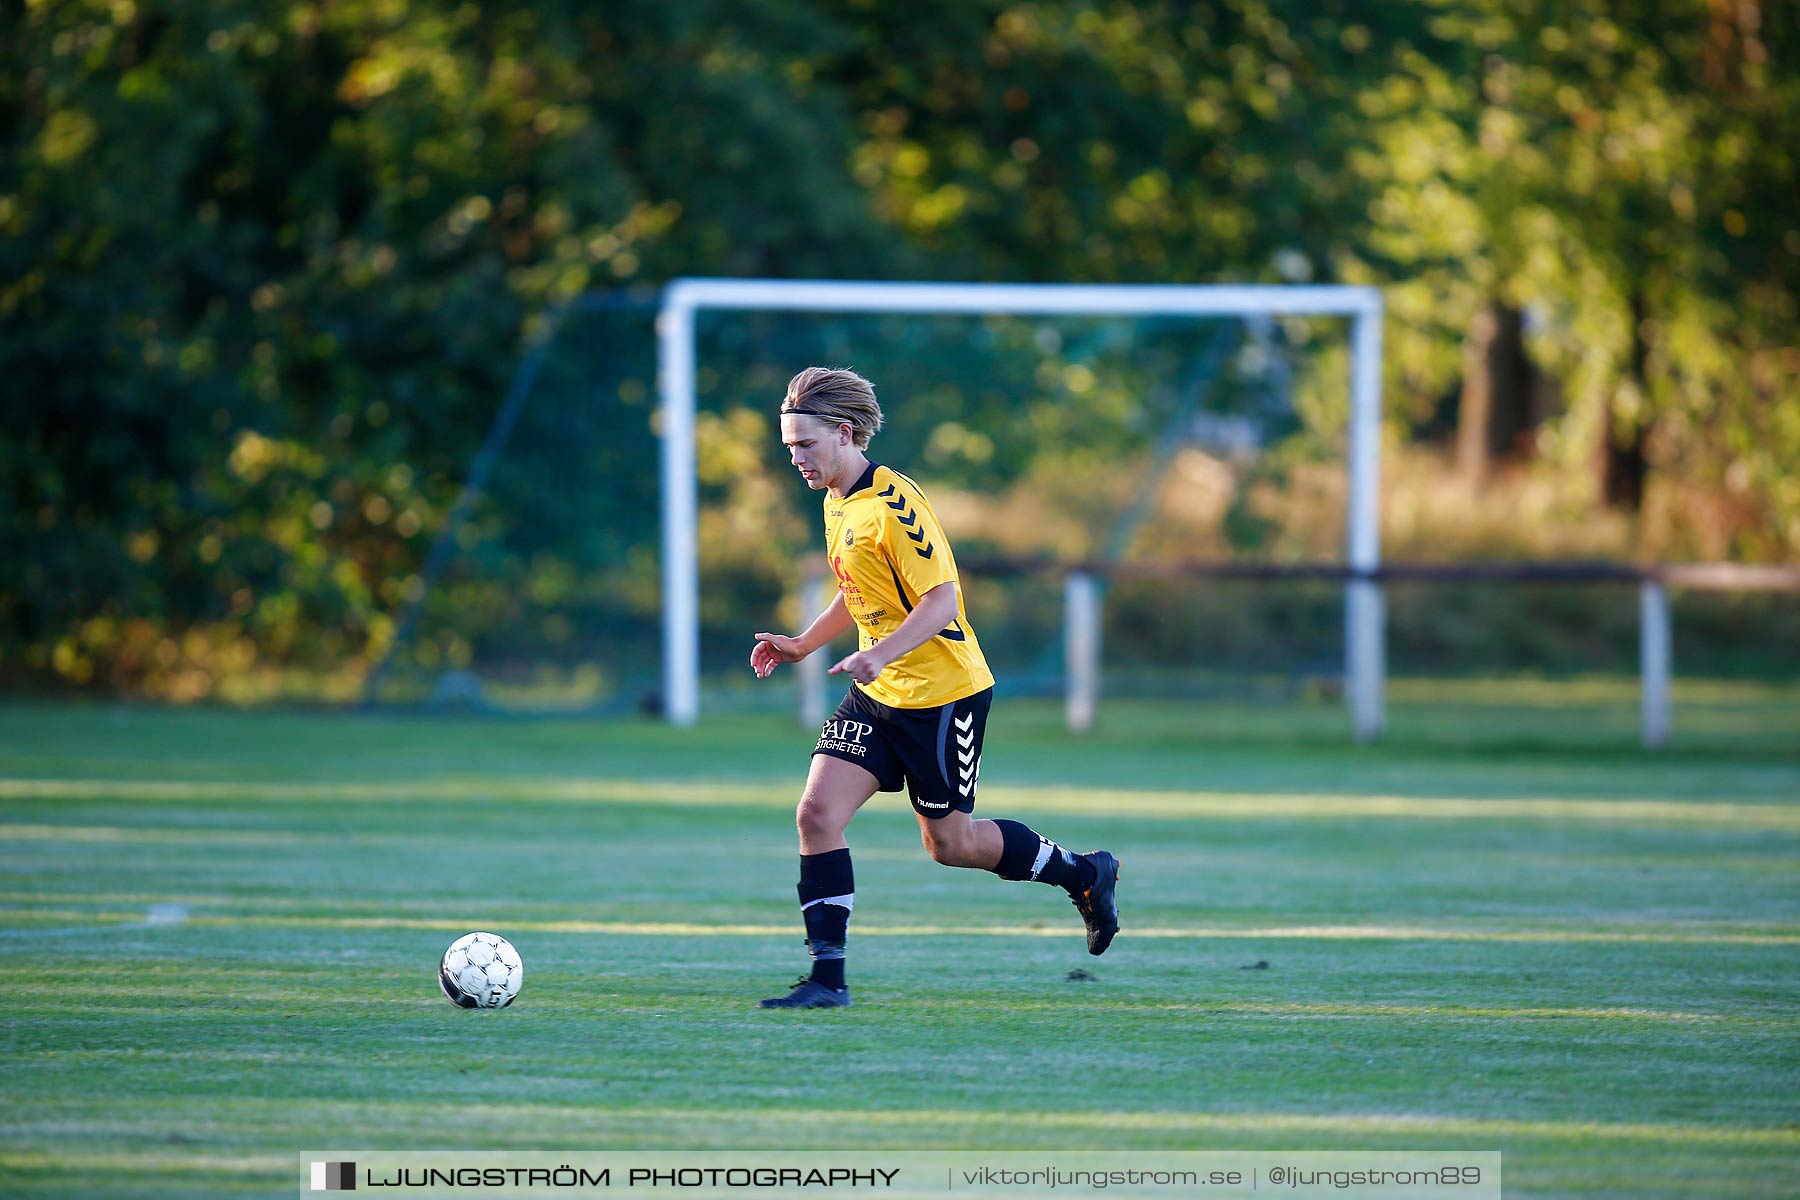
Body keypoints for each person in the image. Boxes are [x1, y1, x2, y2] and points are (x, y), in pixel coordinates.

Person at [749, 366, 1121, 1009]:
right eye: (789, 447)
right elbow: (858, 587)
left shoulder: (895, 502)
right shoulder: (837, 501)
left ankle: (1085, 873)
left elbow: (943, 601)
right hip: (880, 690)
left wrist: (880, 654)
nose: (796, 459)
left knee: (951, 845)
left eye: (805, 445)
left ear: (844, 433)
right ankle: (827, 979)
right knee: (815, 815)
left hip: (944, 695)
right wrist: (804, 644)